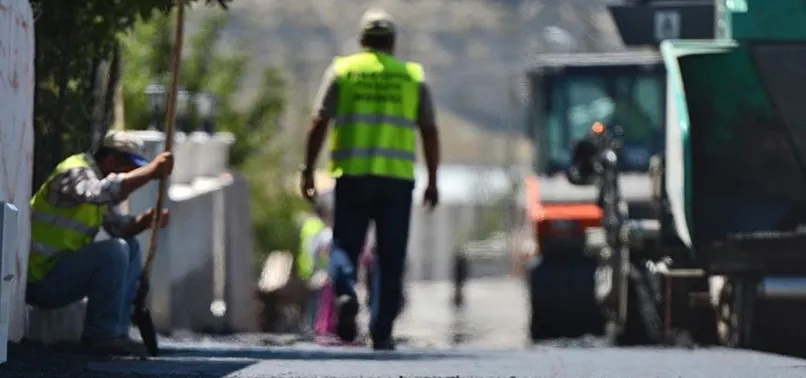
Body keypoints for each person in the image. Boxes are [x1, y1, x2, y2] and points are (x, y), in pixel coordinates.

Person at [300, 7, 441, 350]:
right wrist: (433, 179)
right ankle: (381, 330)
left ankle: (346, 293)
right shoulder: (412, 76)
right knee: (390, 257)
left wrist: (307, 168)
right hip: (396, 181)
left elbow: (319, 120)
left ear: (362, 41)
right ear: (392, 43)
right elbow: (429, 130)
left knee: (345, 247)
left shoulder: (343, 71)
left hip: (353, 177)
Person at [26, 130, 174, 355]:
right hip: (39, 277)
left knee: (129, 246)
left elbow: (118, 227)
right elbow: (97, 193)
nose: (134, 181)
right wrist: (151, 171)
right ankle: (101, 336)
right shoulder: (74, 171)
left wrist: (145, 221)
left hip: (61, 274)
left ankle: (117, 332)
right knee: (114, 251)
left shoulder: (99, 182)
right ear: (111, 161)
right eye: (130, 171)